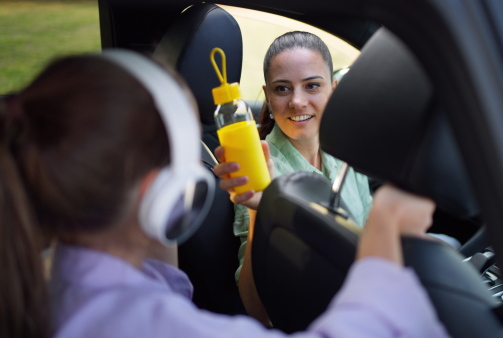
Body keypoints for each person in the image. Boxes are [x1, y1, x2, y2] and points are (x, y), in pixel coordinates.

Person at [0, 49, 448, 338]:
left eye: (314, 85)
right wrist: (390, 229)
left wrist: (261, 204)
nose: (298, 102)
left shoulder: (48, 284)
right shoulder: (142, 324)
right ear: (168, 194)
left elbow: (165, 289)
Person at [214, 31, 373, 323]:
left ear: (333, 90)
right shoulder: (261, 172)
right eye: (283, 89)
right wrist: (256, 212)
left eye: (312, 86)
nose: (297, 102)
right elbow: (259, 312)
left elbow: (372, 236)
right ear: (268, 97)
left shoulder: (346, 153)